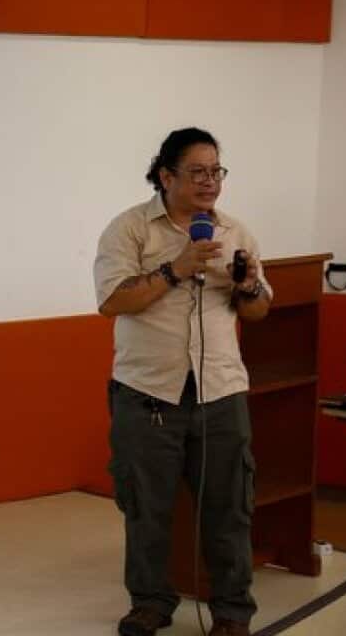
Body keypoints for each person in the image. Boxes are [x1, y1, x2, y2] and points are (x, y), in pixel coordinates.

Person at [94, 127, 272, 636]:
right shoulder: (129, 230)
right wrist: (175, 269)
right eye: (197, 171)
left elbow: (259, 311)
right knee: (147, 509)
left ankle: (233, 613)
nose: (210, 181)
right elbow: (112, 301)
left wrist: (249, 285)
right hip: (148, 391)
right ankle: (150, 603)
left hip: (220, 390)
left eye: (217, 171)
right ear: (166, 175)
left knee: (229, 510)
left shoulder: (235, 232)